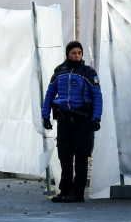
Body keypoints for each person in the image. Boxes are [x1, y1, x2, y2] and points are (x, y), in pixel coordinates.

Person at [42, 41, 103, 203]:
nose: (76, 56)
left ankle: (78, 192)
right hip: (63, 119)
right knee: (65, 156)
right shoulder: (59, 72)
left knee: (81, 157)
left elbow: (97, 96)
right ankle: (65, 190)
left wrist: (96, 118)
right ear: (67, 54)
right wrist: (45, 116)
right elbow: (49, 95)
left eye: (79, 53)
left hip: (83, 120)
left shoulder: (88, 72)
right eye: (73, 53)